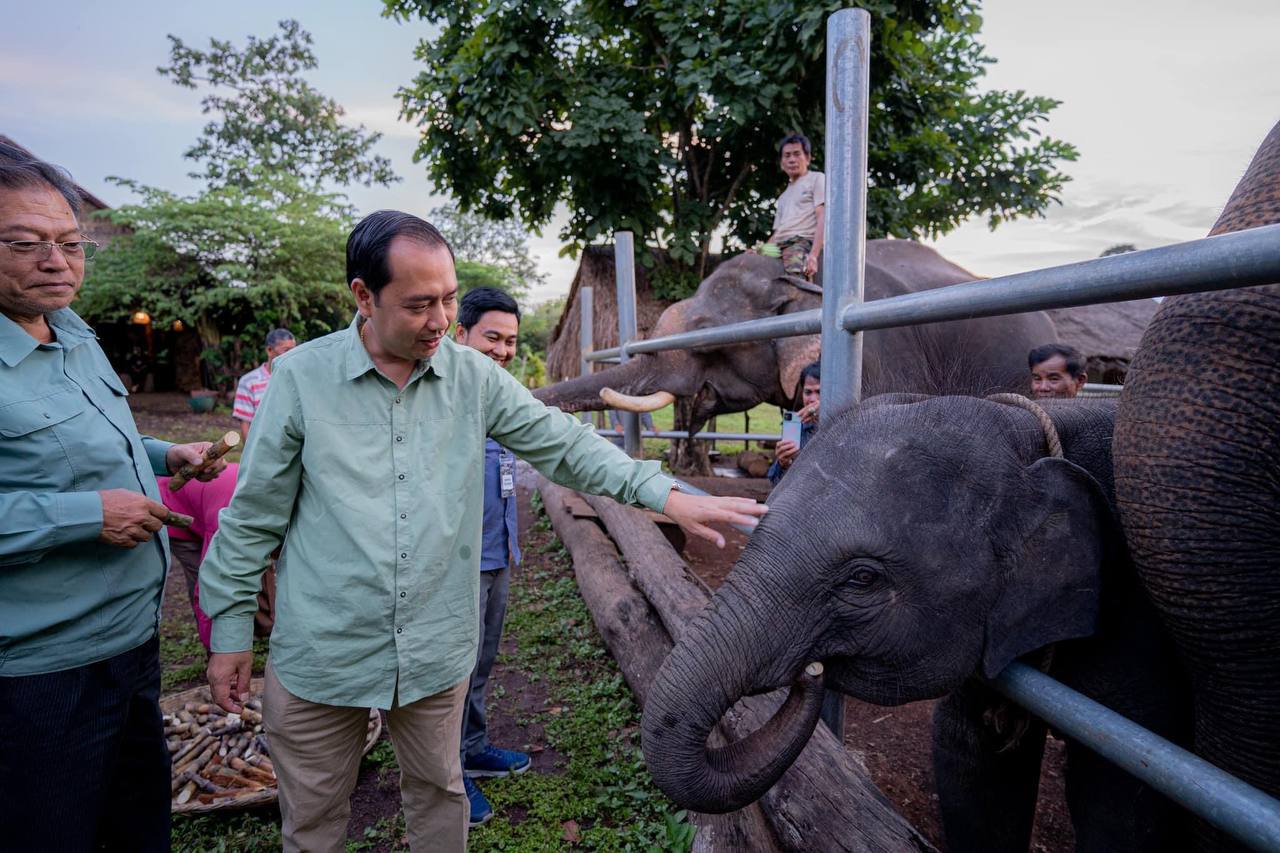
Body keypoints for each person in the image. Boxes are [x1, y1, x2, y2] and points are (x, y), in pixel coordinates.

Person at [198, 210, 767, 853]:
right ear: (363, 296)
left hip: (435, 648)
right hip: (324, 651)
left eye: (447, 298)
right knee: (314, 821)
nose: (442, 320)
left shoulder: (473, 378)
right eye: (419, 305)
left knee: (441, 798)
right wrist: (230, 631)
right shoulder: (300, 380)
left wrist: (667, 493)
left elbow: (563, 445)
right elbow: (252, 518)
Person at [0, 145, 225, 852]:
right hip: (42, 673)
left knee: (136, 824)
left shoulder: (73, 332)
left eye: (70, 243)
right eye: (26, 243)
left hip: (131, 642)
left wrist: (167, 455)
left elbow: (103, 437)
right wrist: (88, 515)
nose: (56, 260)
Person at [450, 287, 527, 825]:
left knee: (482, 662)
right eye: (492, 338)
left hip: (498, 551)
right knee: (453, 669)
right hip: (458, 562)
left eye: (512, 341)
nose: (503, 350)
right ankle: (449, 774)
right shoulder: (444, 401)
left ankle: (473, 748)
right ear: (461, 336)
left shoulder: (501, 397)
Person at [767, 133, 825, 278]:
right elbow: (778, 233)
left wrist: (813, 256)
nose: (792, 159)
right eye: (787, 156)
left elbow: (823, 216)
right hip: (778, 245)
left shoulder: (817, 179)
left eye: (797, 154)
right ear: (782, 163)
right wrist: (760, 250)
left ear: (808, 158)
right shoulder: (783, 197)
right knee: (749, 266)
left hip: (800, 242)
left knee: (794, 277)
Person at [232, 327, 297, 440]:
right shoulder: (249, 382)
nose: (292, 355)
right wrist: (251, 454)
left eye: (294, 350)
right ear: (269, 350)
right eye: (286, 350)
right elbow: (245, 423)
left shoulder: (297, 378)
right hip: (264, 446)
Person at [768, 361, 820, 486]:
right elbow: (774, 481)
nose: (812, 399)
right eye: (808, 392)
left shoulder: (843, 425)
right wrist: (783, 463)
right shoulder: (797, 427)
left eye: (819, 392)